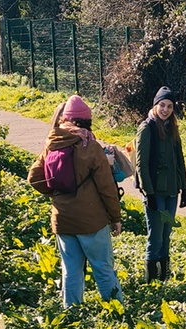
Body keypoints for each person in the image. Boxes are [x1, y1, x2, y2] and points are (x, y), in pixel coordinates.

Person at [28, 95, 123, 307]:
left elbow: (33, 178)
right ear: (86, 121)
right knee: (103, 268)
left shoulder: (52, 144)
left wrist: (57, 193)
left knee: (70, 270)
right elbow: (107, 189)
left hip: (63, 220)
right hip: (91, 221)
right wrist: (115, 218)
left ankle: (72, 314)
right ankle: (118, 313)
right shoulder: (91, 147)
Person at [134, 86, 186, 283]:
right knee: (155, 237)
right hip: (155, 192)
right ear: (155, 105)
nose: (165, 109)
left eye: (169, 106)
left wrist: (185, 188)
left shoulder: (172, 127)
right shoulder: (147, 128)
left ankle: (163, 280)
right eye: (162, 105)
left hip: (171, 191)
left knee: (166, 235)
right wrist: (148, 193)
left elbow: (179, 160)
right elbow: (141, 164)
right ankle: (151, 283)